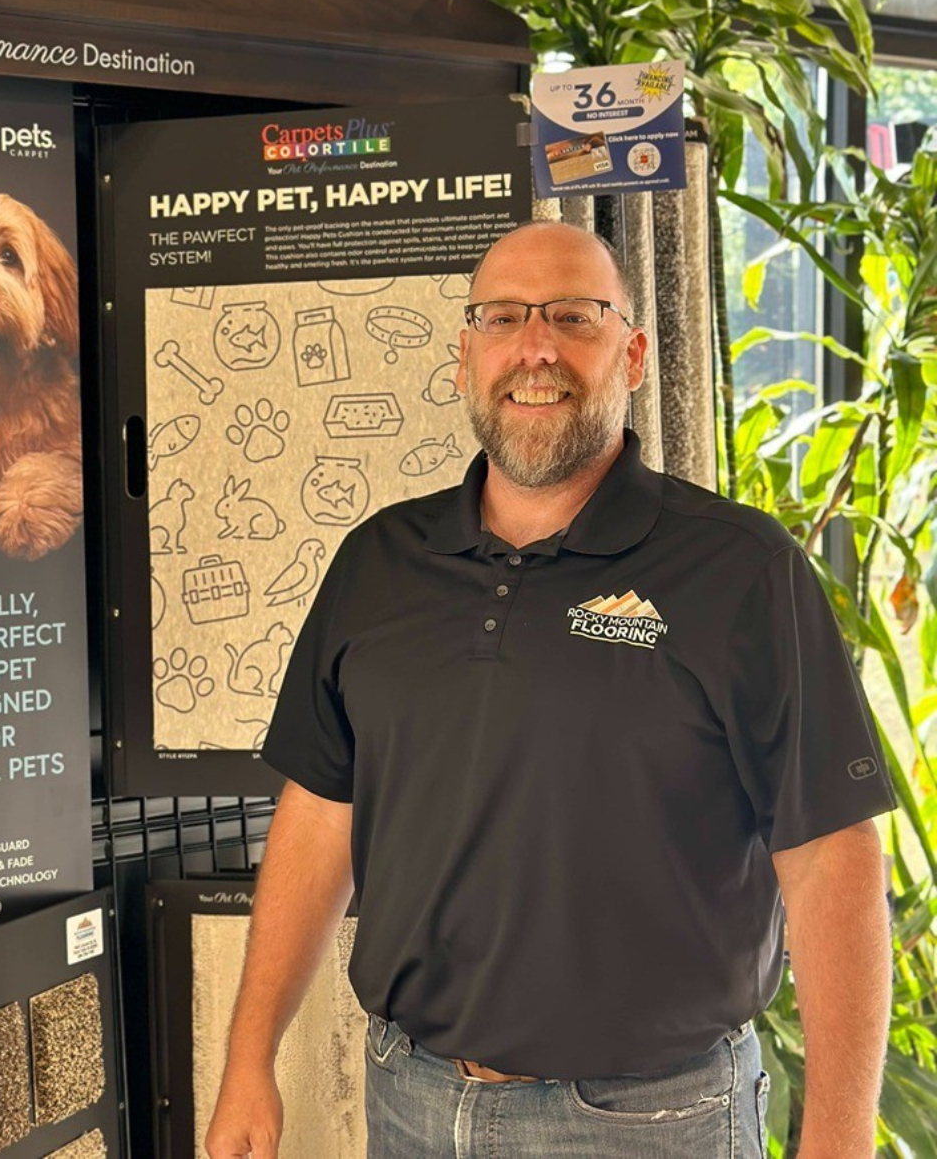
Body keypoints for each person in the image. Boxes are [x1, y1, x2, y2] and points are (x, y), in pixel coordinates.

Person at [205, 220, 895, 1159]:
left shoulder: (741, 572)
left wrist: (841, 1136)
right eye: (502, 318)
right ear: (464, 355)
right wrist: (251, 1055)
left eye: (574, 316)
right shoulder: (378, 564)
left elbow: (829, 859)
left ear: (635, 353)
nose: (536, 347)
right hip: (410, 1099)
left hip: (648, 1123)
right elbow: (323, 811)